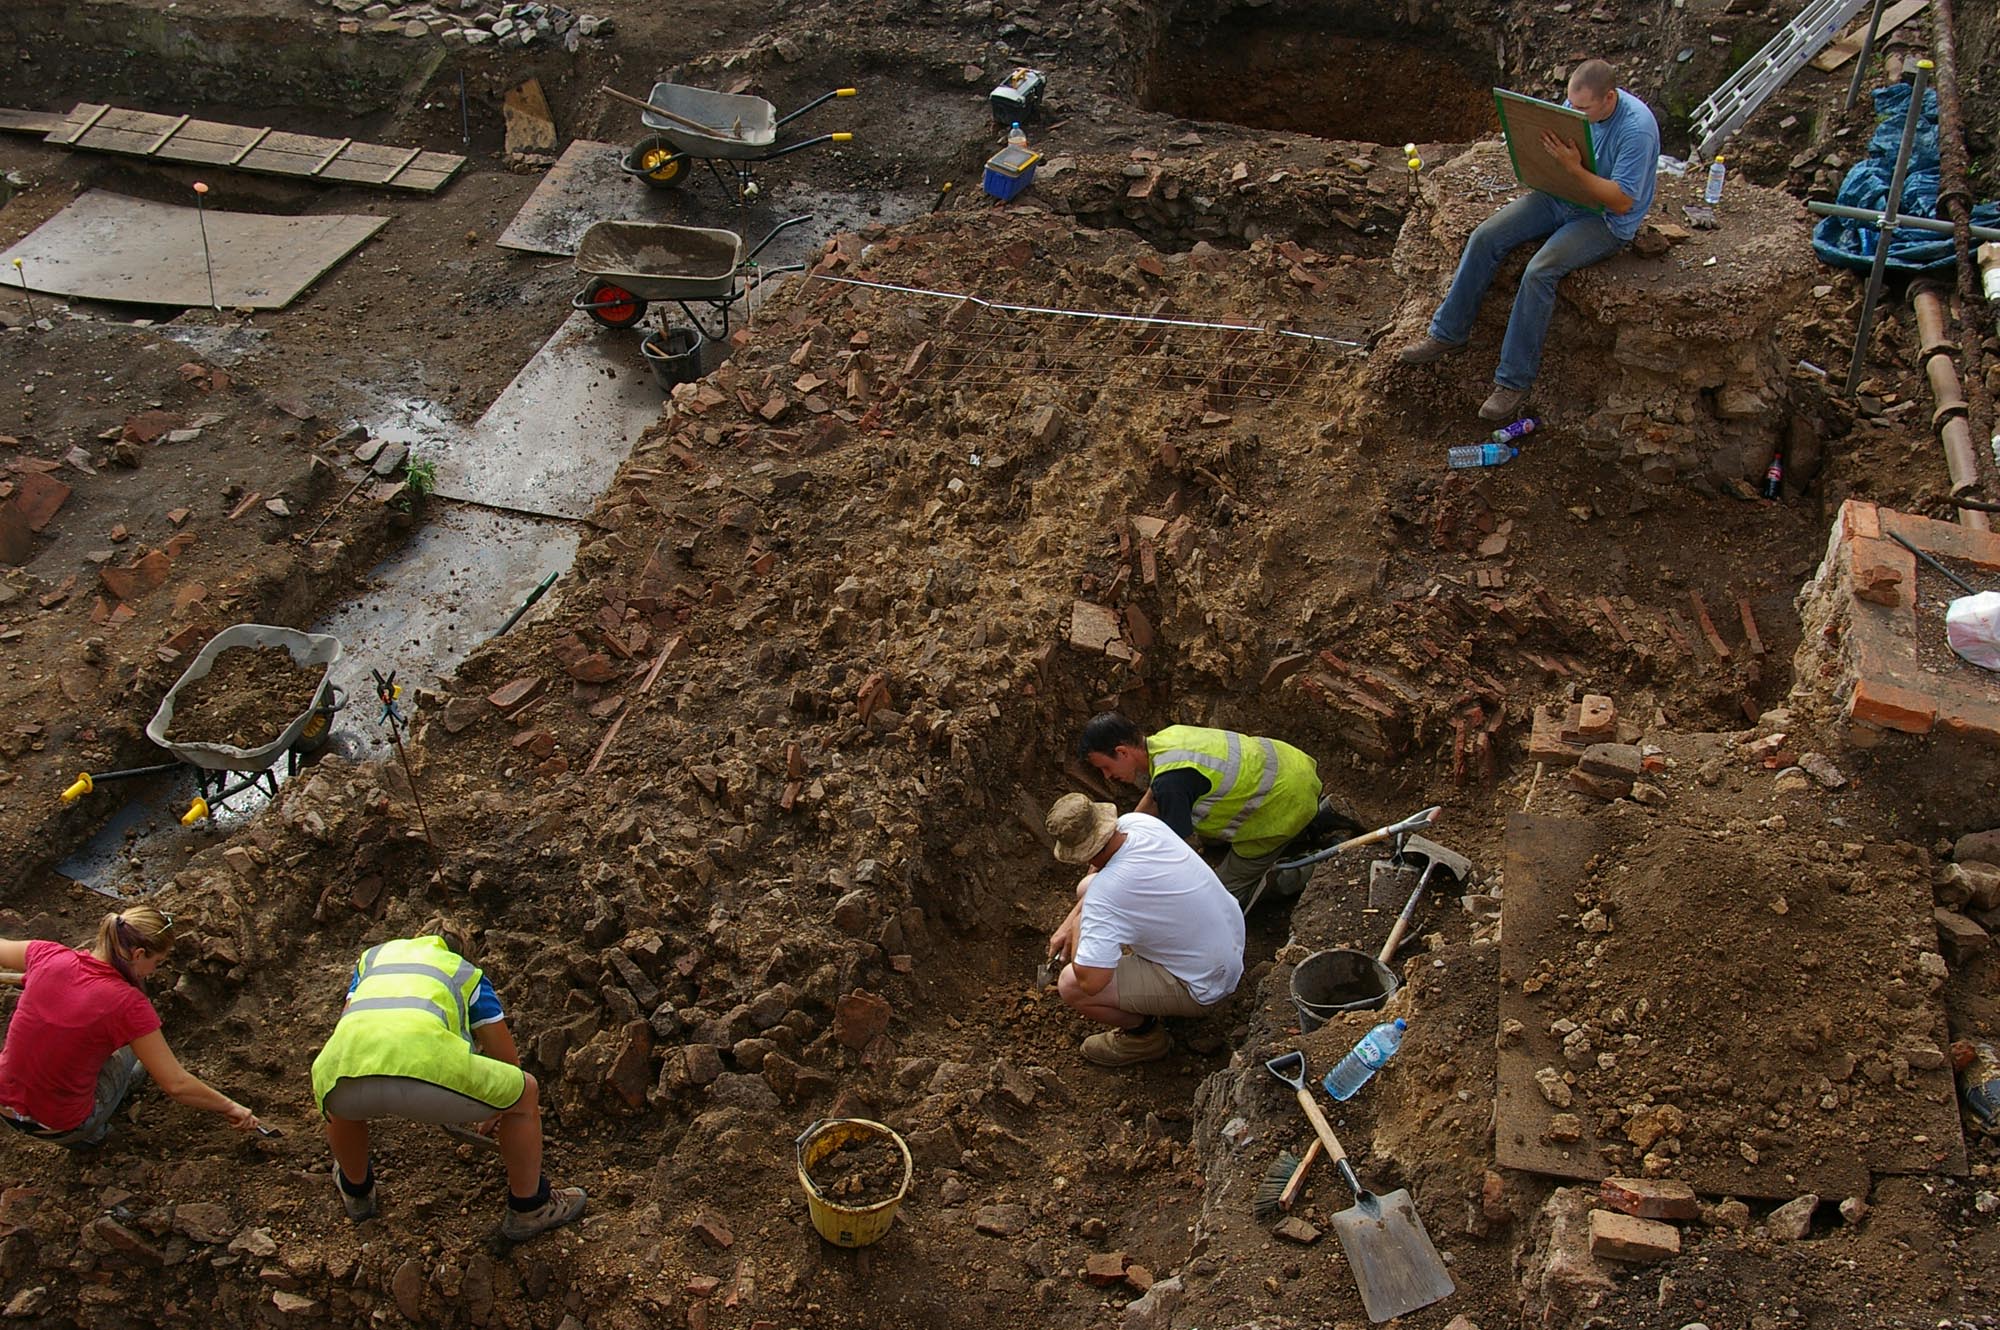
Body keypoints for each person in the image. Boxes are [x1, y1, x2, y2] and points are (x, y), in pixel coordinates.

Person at [1399, 59, 1660, 421]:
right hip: (1558, 196)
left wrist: (1572, 167)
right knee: (1485, 236)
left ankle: (1513, 382)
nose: (1575, 113)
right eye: (1571, 104)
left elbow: (1621, 200)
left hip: (1603, 219)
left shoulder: (1636, 130)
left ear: (1610, 98)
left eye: (1583, 108)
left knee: (1539, 271)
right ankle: (1448, 333)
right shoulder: (1577, 107)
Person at [310, 930, 585, 1242]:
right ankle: (529, 1207)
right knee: (526, 1092)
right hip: (427, 1068)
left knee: (339, 1084)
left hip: (340, 1072)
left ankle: (356, 1191)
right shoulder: (463, 971)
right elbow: (505, 1059)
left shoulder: (371, 960)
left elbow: (349, 1024)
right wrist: (497, 1106)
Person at [0, 906, 263, 1147]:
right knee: (135, 1052)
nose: (154, 970)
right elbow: (177, 1085)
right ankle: (92, 1135)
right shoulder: (129, 1006)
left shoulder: (47, 955)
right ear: (138, 954)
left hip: (4, 1104)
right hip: (60, 1126)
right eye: (157, 962)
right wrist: (230, 1107)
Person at [1043, 793, 1245, 1068]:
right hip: (1230, 941)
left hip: (1206, 984)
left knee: (1070, 984)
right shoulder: (1137, 823)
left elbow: (1091, 982)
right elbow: (1097, 886)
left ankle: (1144, 1037)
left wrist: (1080, 925)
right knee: (1086, 888)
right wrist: (1070, 920)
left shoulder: (1107, 896)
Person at [1076, 712, 1341, 910]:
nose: (1107, 776)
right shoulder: (1168, 739)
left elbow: (1175, 855)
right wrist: (1107, 846)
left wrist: (1119, 876)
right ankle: (1321, 817)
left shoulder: (1171, 782)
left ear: (1122, 752)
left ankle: (1322, 863)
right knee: (1210, 837)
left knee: (1219, 902)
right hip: (1293, 768)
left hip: (1281, 808)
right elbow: (1154, 797)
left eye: (1105, 767)